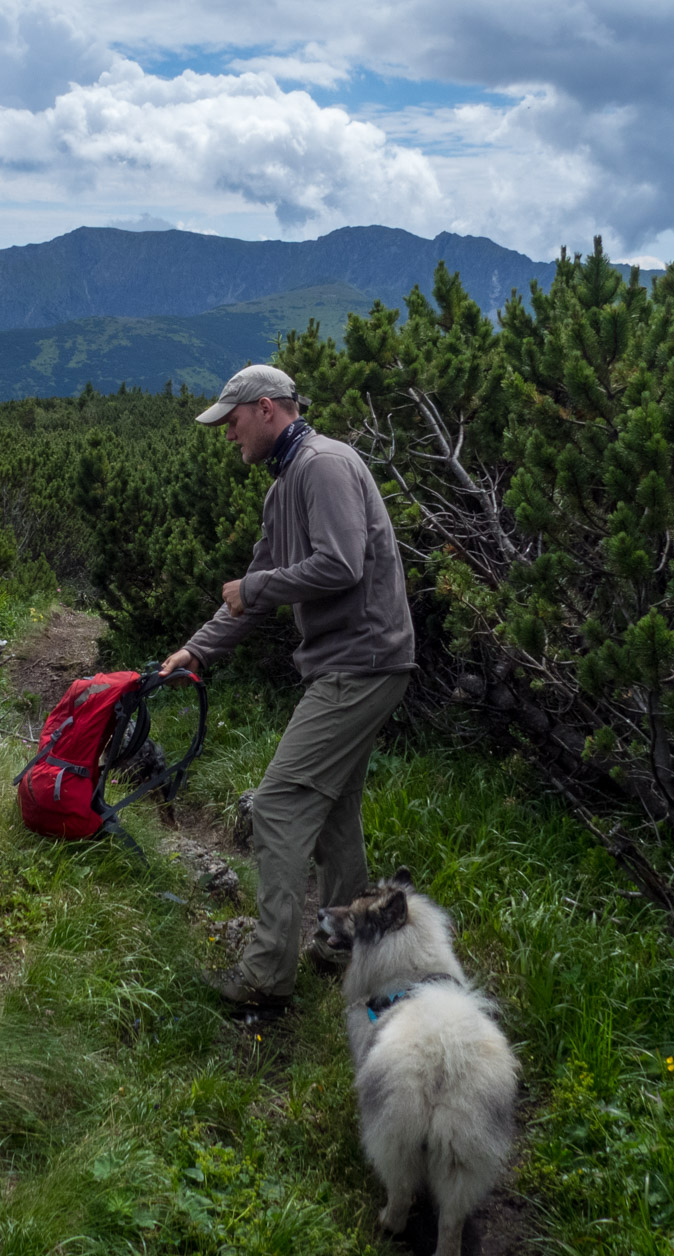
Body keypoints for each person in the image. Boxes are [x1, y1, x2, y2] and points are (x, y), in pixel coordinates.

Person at [160, 364, 415, 1009]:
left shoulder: (324, 466)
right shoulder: (284, 488)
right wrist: (197, 649)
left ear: (267, 409)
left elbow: (338, 563)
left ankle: (266, 975)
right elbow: (253, 592)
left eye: (233, 420)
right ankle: (342, 941)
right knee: (333, 809)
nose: (227, 435)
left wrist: (256, 589)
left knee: (276, 806)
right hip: (361, 663)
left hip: (361, 665)